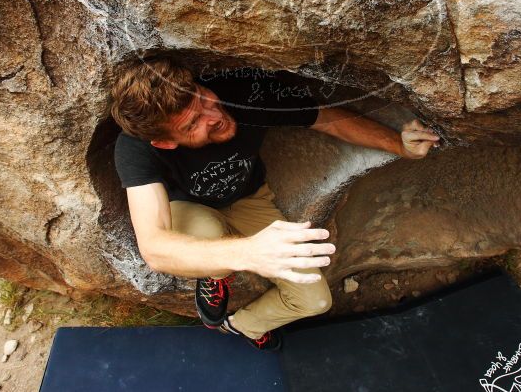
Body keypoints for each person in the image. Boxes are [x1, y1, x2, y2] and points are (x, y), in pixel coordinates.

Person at [109, 58, 440, 350]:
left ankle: (240, 326)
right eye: (191, 124)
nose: (213, 116)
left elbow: (327, 118)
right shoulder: (135, 149)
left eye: (203, 99)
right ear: (165, 141)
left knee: (316, 300)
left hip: (250, 199)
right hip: (188, 211)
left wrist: (399, 145)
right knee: (211, 239)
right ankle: (215, 273)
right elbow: (154, 247)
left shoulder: (242, 92)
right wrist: (248, 253)